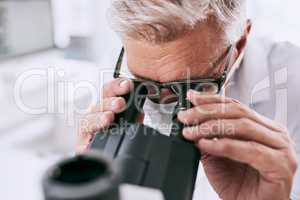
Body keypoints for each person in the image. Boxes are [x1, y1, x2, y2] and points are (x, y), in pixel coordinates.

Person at [77, 0, 299, 199]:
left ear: (240, 43)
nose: (160, 106)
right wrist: (88, 185)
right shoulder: (123, 68)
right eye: (144, 85)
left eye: (188, 87)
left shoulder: (293, 82)